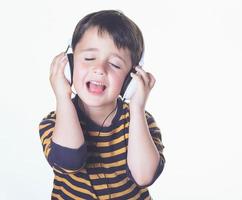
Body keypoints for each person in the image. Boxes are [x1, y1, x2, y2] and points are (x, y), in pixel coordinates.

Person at [39, 10, 165, 200]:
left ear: (130, 80)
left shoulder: (141, 123)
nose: (99, 69)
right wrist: (62, 97)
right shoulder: (54, 123)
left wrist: (137, 108)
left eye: (115, 64)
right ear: (69, 65)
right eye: (89, 58)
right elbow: (69, 161)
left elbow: (144, 176)